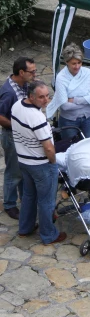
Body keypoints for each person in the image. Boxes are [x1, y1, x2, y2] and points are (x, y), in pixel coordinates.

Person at [12, 81, 67, 245]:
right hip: (41, 165)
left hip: (23, 160)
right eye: (41, 97)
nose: (46, 100)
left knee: (28, 195)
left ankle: (25, 228)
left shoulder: (17, 106)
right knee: (46, 201)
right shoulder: (37, 118)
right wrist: (53, 163)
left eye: (47, 96)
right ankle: (49, 235)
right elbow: (49, 148)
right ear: (31, 96)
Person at [0, 56, 36, 219]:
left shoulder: (24, 84)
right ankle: (9, 204)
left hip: (22, 136)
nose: (34, 74)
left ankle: (24, 198)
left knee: (23, 169)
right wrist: (17, 126)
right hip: (12, 137)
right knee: (13, 172)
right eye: (32, 71)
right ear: (21, 72)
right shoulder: (8, 92)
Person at [47, 43, 90, 138]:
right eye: (73, 63)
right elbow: (64, 106)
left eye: (79, 63)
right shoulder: (61, 78)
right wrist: (86, 101)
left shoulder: (87, 73)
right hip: (68, 120)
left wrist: (74, 100)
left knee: (89, 146)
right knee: (70, 148)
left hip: (88, 118)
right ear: (66, 62)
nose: (77, 66)